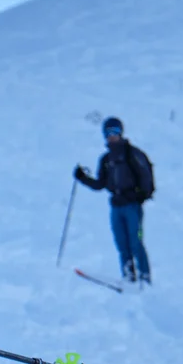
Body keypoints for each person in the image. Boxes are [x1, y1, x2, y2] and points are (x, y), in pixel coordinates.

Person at [74, 116, 154, 284]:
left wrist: (141, 195)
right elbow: (100, 184)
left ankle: (144, 278)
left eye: (115, 132)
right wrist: (82, 178)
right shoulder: (106, 160)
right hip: (116, 206)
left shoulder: (133, 154)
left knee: (135, 242)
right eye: (108, 133)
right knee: (121, 244)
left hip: (132, 206)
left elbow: (146, 176)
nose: (112, 136)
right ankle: (128, 276)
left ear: (121, 133)